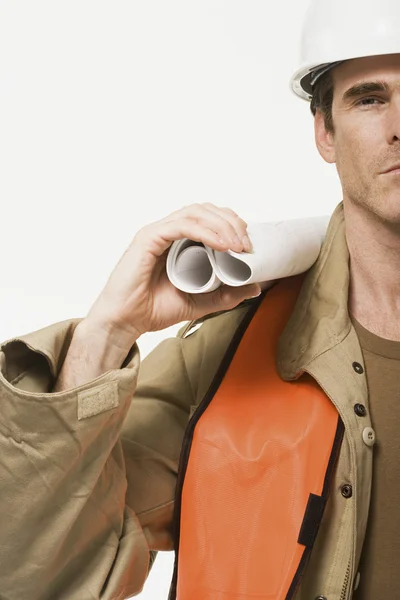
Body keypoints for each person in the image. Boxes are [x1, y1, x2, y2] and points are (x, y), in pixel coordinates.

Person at [1, 0, 400, 597]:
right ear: (325, 131)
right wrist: (107, 331)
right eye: (370, 97)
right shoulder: (229, 356)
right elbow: (37, 567)